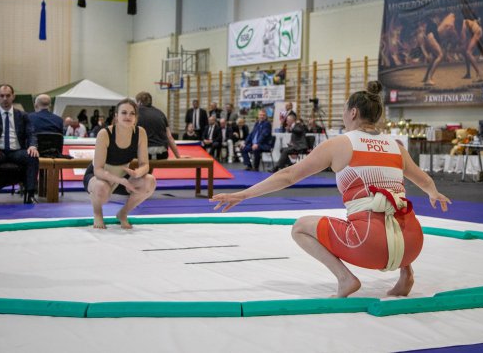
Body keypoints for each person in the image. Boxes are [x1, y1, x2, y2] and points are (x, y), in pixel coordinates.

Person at [212, 81, 451, 298]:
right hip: (413, 244)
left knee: (300, 228)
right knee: (394, 205)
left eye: (345, 109)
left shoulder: (341, 144)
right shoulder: (397, 147)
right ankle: (406, 274)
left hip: (369, 244)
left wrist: (242, 195)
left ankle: (345, 278)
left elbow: (288, 175)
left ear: (353, 112)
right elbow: (425, 181)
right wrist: (434, 194)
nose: (343, 114)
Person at [84, 99, 156, 229]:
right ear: (116, 116)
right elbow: (98, 170)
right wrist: (122, 181)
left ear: (136, 117)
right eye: (124, 113)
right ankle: (97, 213)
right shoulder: (105, 133)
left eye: (131, 113)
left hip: (122, 176)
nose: (128, 116)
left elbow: (145, 164)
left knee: (150, 181)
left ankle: (123, 213)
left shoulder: (140, 133)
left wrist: (137, 173)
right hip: (99, 177)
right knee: (101, 188)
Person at [0, 84, 39, 204]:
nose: (5, 98)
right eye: (2, 96)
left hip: (17, 151)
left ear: (13, 96)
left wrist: (32, 146)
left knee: (32, 156)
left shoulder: (23, 115)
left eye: (8, 95)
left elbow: (31, 133)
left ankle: (30, 194)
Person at [135, 91, 182, 160]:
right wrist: (178, 156)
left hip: (144, 154)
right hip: (162, 153)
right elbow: (169, 137)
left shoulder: (135, 113)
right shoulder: (160, 113)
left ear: (139, 102)